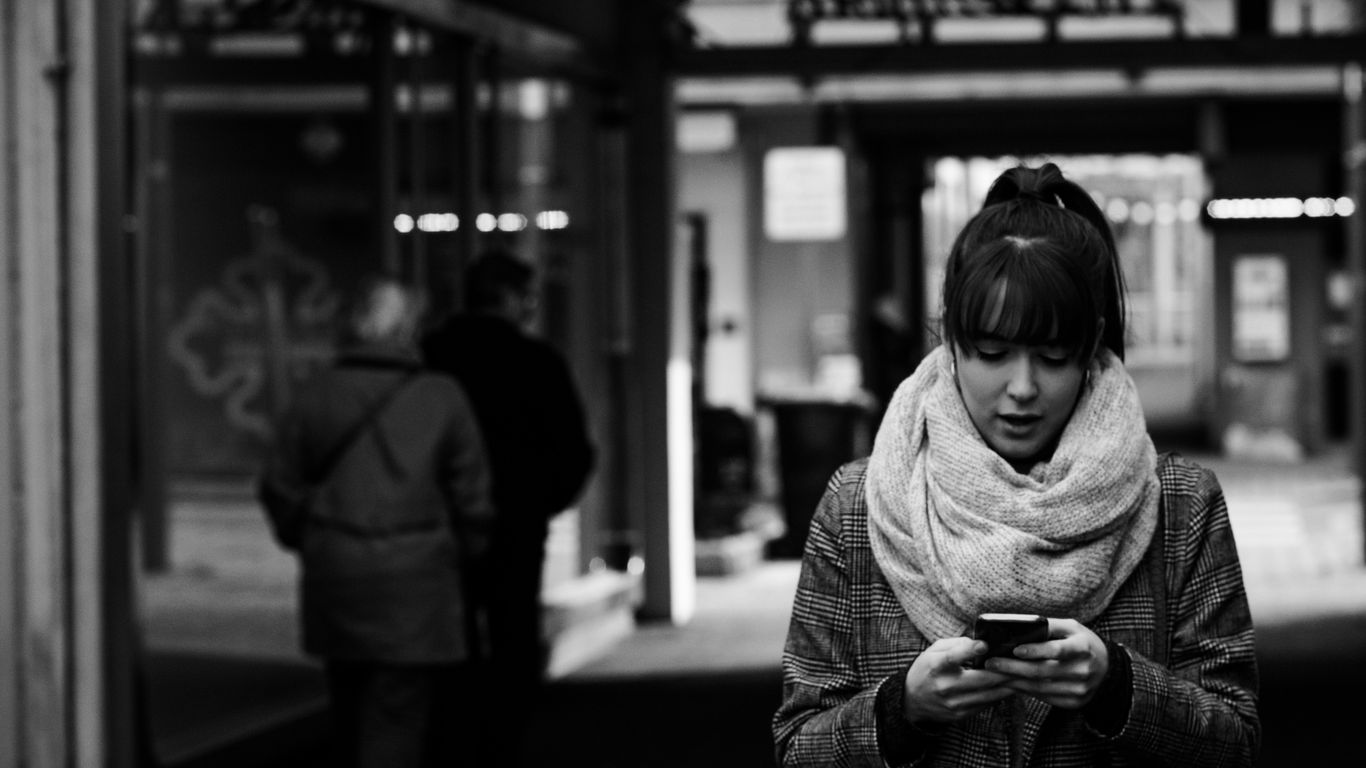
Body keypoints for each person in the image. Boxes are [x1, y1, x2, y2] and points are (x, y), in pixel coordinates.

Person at [772, 163, 1260, 767]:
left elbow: (1236, 740)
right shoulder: (859, 503)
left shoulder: (1182, 506)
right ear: (951, 341)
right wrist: (905, 709)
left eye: (1053, 356)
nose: (1022, 388)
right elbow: (798, 748)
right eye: (994, 354)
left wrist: (1117, 687)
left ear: (1091, 345)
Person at [259, 274, 494, 768]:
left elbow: (280, 485)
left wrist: (311, 535)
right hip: (417, 578)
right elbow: (474, 497)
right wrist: (464, 553)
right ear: (409, 328)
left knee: (347, 697)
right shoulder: (442, 397)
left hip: (336, 571)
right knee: (398, 713)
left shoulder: (315, 394)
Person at [420, 249, 596, 725]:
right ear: (510, 298)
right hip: (516, 520)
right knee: (512, 631)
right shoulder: (536, 362)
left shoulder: (429, 356)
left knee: (447, 635)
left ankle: (451, 730)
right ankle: (501, 734)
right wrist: (540, 503)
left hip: (440, 520)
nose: (533, 308)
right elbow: (573, 451)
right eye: (529, 298)